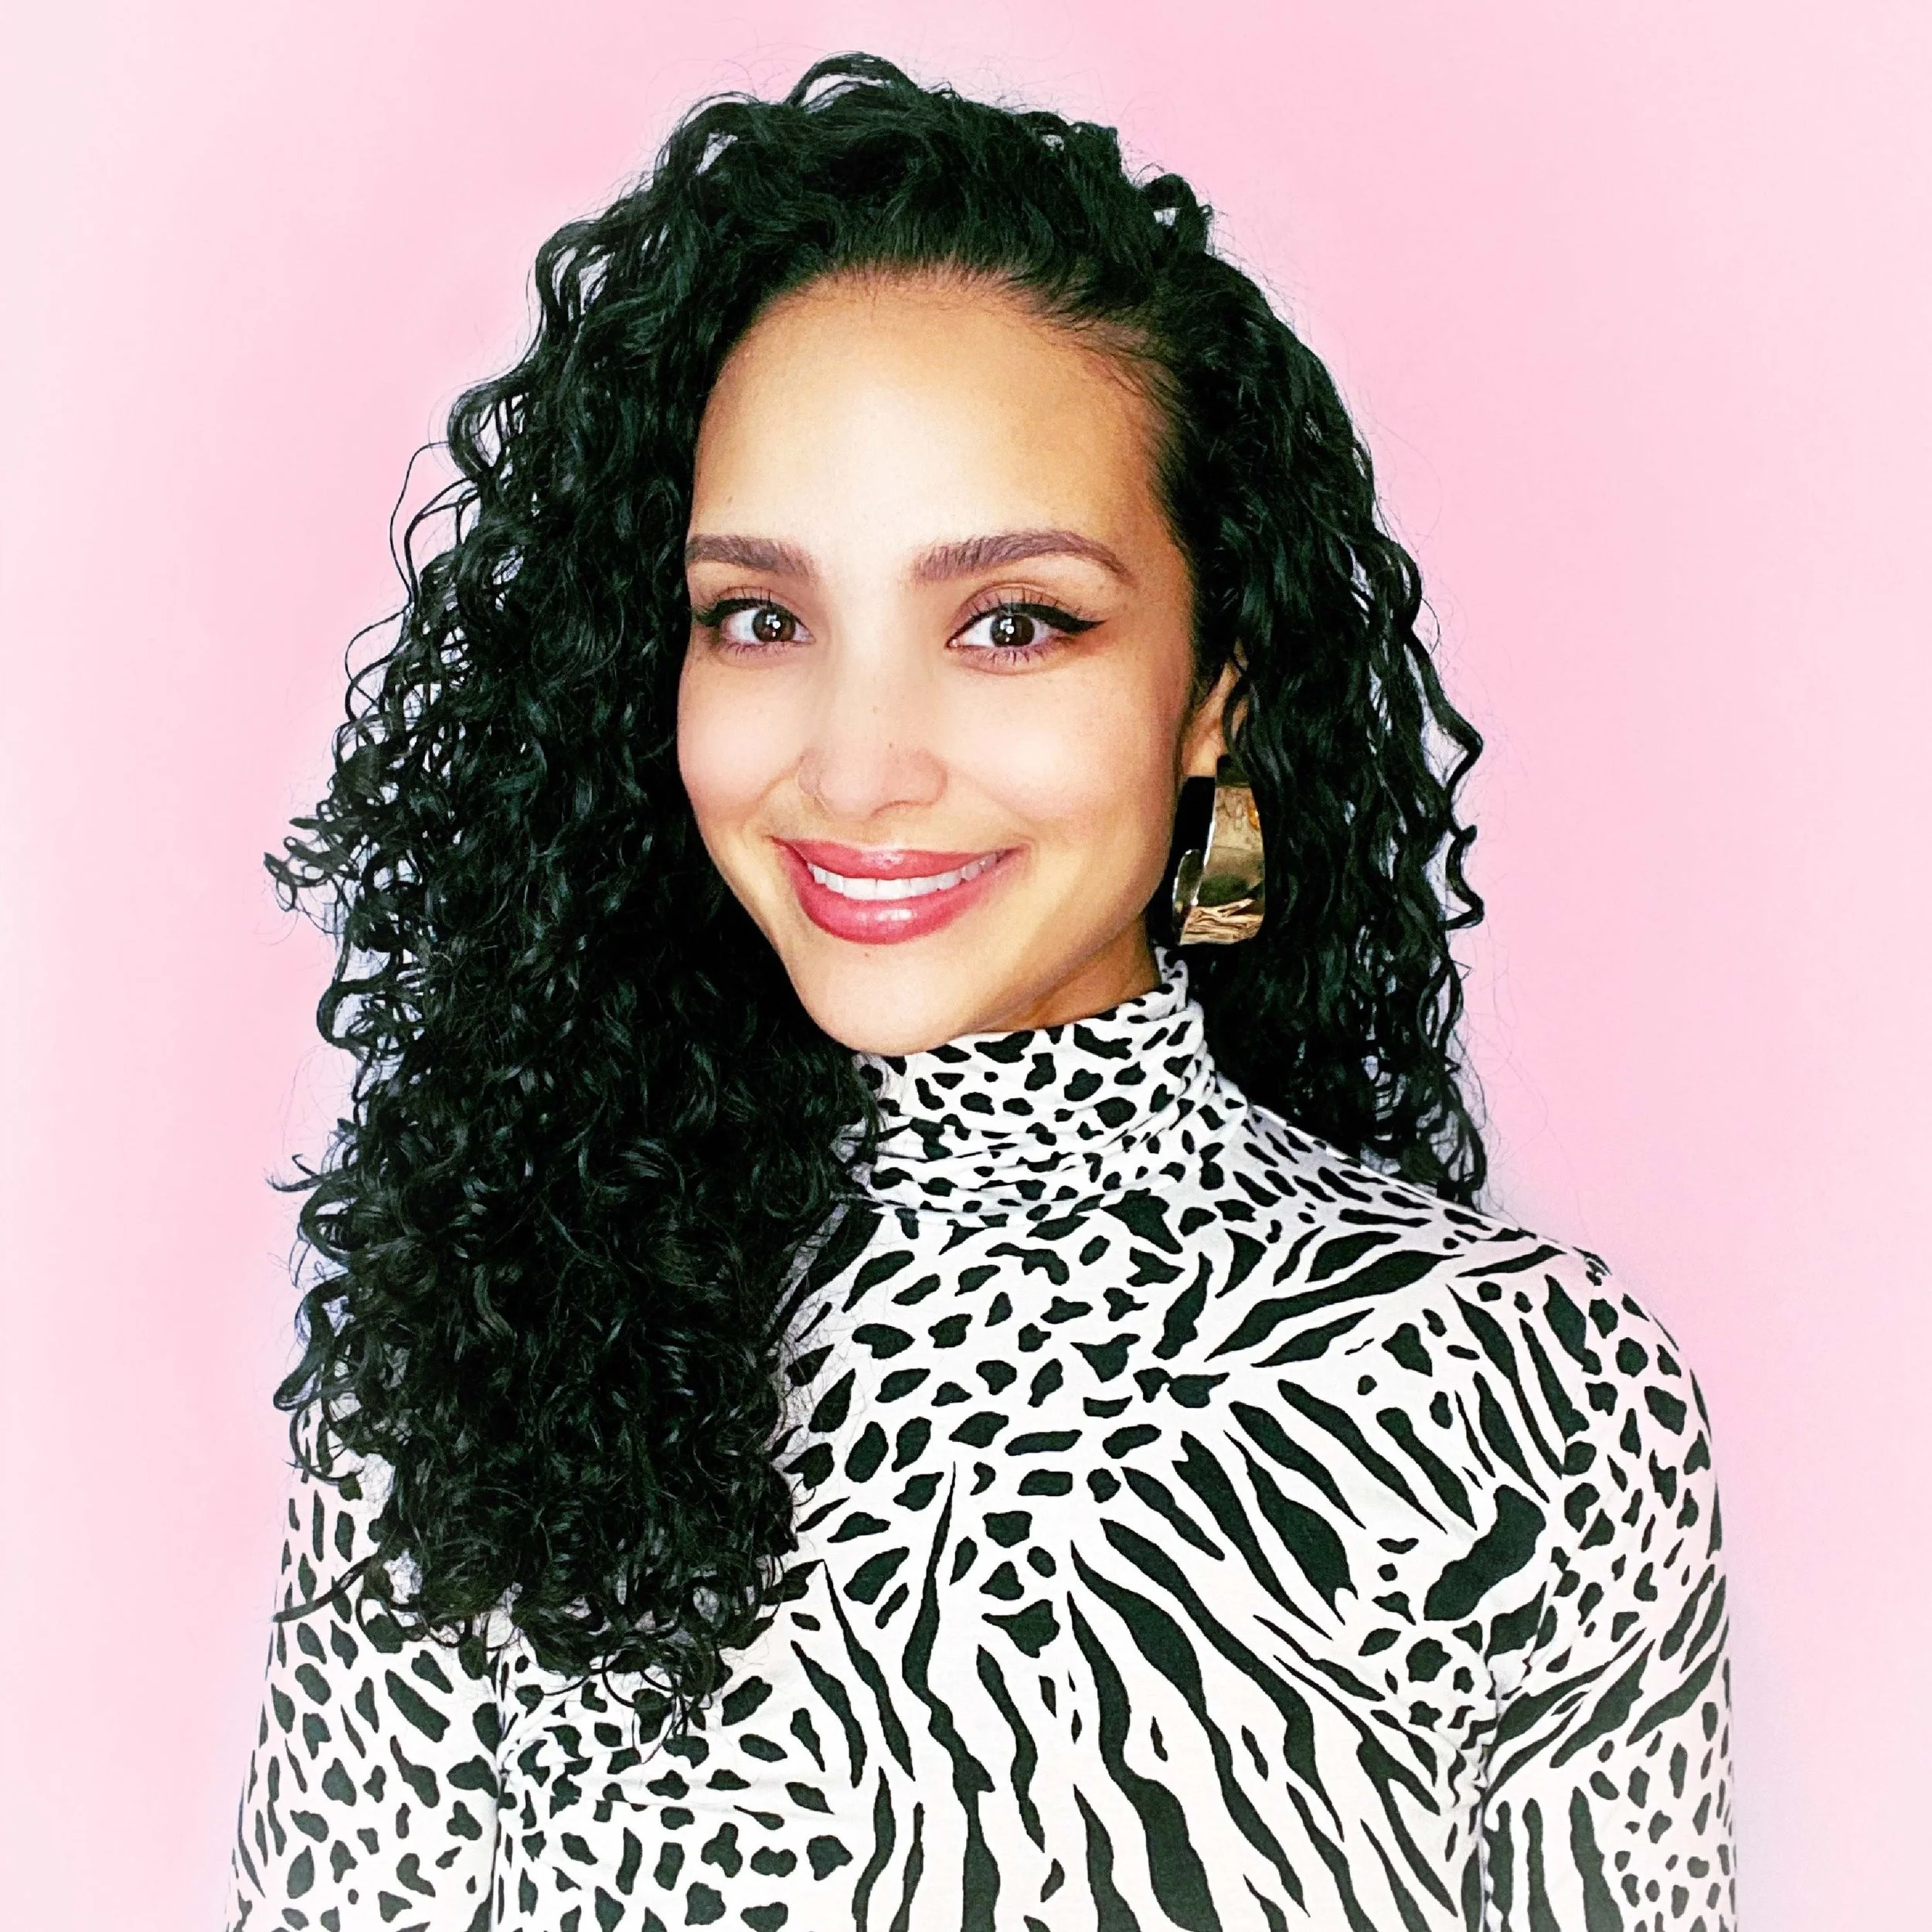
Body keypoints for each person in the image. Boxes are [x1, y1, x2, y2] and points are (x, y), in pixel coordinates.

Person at [226, 53, 1734, 1932]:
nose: (857, 767)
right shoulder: (474, 1360)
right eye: (758, 617)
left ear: (1212, 694)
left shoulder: (1533, 1403)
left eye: (1011, 622)